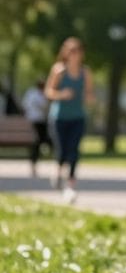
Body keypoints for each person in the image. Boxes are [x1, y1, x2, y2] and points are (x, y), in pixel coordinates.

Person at [45, 38, 95, 203]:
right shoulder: (59, 71)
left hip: (78, 117)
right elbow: (49, 92)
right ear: (65, 53)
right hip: (59, 117)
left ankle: (71, 184)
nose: (75, 54)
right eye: (71, 51)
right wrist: (61, 94)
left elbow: (89, 94)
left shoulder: (85, 72)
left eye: (78, 51)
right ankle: (58, 169)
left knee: (74, 150)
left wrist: (89, 99)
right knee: (62, 150)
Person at [21, 79, 52, 176]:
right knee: (37, 142)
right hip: (34, 121)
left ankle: (36, 162)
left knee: (39, 142)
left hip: (39, 121)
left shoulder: (34, 93)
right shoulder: (35, 94)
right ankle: (34, 164)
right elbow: (44, 107)